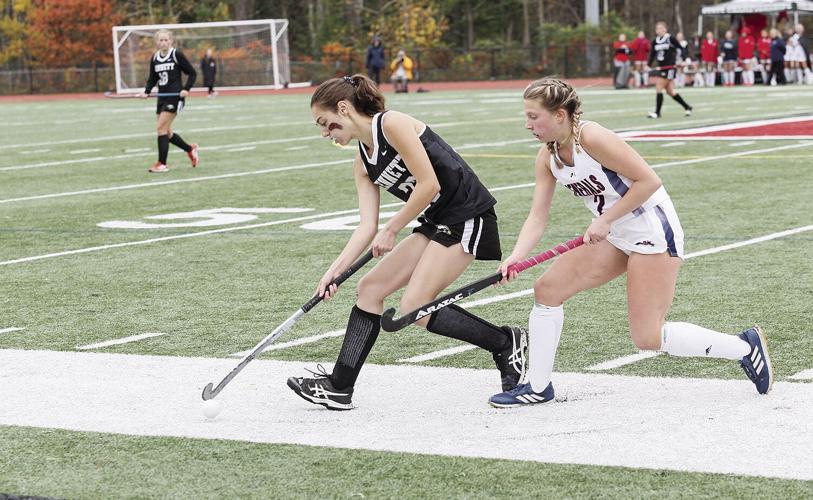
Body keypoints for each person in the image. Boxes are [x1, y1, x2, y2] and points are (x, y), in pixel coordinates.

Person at [487, 77, 773, 407]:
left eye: (533, 116)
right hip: (615, 234)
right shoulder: (547, 157)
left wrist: (606, 219)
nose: (527, 124)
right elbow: (538, 217)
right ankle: (538, 387)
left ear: (560, 115)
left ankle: (744, 347)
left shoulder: (591, 137)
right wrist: (516, 257)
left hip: (651, 231)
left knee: (648, 337)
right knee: (547, 289)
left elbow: (649, 180)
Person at [286, 74, 528, 411]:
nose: (325, 132)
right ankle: (339, 387)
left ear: (343, 108)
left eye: (325, 123)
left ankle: (505, 342)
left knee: (416, 307)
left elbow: (429, 184)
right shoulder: (362, 161)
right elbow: (366, 226)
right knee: (370, 289)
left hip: (467, 214)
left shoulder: (392, 124)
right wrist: (334, 273)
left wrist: (393, 228)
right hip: (437, 222)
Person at [138, 29, 199, 173]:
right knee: (167, 132)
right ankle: (190, 149)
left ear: (171, 41)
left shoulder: (176, 54)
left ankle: (162, 164)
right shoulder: (155, 58)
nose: (164, 42)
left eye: (166, 40)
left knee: (160, 129)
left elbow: (192, 73)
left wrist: (186, 89)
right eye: (161, 40)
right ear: (157, 42)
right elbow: (153, 78)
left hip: (175, 97)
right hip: (162, 97)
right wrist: (146, 92)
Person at [646, 22, 693, 118]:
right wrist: (648, 65)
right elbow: (652, 54)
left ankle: (657, 112)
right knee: (670, 92)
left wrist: (685, 59)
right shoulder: (655, 41)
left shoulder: (670, 38)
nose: (659, 30)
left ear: (665, 29)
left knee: (659, 87)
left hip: (670, 68)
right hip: (662, 67)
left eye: (661, 28)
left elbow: (681, 48)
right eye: (658, 28)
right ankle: (687, 107)